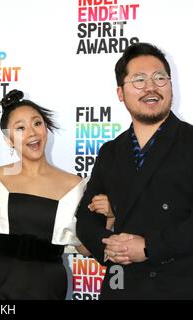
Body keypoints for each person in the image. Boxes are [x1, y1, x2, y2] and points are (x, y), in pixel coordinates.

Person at [76, 42, 193, 299]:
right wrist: (110, 248)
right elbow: (85, 220)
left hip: (180, 282)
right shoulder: (111, 151)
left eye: (159, 78)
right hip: (122, 285)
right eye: (138, 80)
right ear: (120, 92)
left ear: (171, 84)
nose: (151, 87)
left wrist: (150, 247)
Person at [0, 89, 91, 300]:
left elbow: (86, 248)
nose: (32, 133)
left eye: (37, 123)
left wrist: (108, 216)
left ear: (46, 128)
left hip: (47, 286)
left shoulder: (75, 185)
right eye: (20, 128)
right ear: (8, 140)